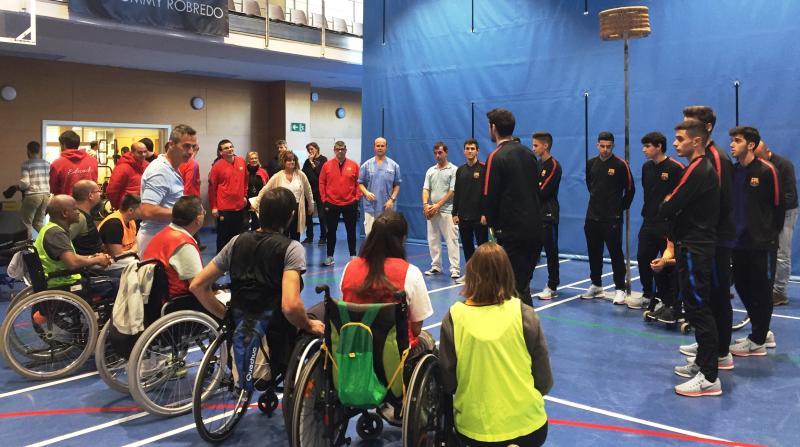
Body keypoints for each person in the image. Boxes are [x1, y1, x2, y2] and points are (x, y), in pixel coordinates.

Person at [439, 242, 553, 446]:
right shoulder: (524, 313)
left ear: (472, 274)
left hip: (475, 430)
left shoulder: (455, 317)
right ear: (508, 274)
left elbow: (448, 382)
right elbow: (544, 381)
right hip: (529, 428)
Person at [190, 187, 324, 338]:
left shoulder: (236, 242)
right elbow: (291, 306)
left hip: (242, 325)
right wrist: (308, 324)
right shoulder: (292, 249)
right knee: (322, 313)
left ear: (260, 212)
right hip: (276, 331)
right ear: (291, 216)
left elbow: (197, 285)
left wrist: (227, 317)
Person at [339, 210, 435, 422]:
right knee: (428, 341)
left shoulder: (349, 268)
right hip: (392, 361)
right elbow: (417, 329)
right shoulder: (410, 273)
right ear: (401, 240)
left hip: (354, 354)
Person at [659, 119, 722, 397]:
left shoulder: (699, 169)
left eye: (680, 138)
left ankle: (709, 377)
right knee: (696, 307)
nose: (675, 143)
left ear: (696, 141)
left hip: (697, 247)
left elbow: (670, 205)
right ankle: (701, 364)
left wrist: (668, 202)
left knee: (699, 309)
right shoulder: (696, 168)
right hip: (691, 245)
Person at [682, 106, 735, 355]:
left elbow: (722, 204)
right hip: (705, 240)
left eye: (690, 125)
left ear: (707, 129)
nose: (685, 130)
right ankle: (709, 345)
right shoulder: (702, 159)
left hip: (715, 241)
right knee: (706, 297)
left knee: (717, 297)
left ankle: (720, 352)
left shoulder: (717, 158)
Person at [727, 126, 782, 357]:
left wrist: (767, 236)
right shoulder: (732, 171)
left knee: (762, 291)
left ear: (750, 145)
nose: (731, 145)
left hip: (762, 245)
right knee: (741, 285)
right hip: (737, 243)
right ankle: (762, 328)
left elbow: (779, 208)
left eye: (737, 141)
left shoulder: (768, 171)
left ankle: (758, 340)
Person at [483, 108, 541, 305]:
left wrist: (491, 223)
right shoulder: (528, 153)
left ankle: (521, 332)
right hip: (534, 229)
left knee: (512, 288)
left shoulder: (496, 156)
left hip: (511, 233)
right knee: (522, 286)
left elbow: (489, 196)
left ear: (494, 128)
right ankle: (528, 330)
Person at [581, 131, 635, 304]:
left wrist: (620, 207)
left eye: (608, 147)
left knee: (615, 254)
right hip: (592, 216)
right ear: (597, 145)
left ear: (613, 146)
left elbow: (630, 189)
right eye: (602, 146)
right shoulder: (591, 164)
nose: (605, 150)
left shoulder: (620, 165)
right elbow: (591, 185)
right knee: (593, 252)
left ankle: (619, 288)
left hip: (612, 218)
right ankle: (596, 284)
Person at [634, 132, 684, 314]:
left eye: (647, 146)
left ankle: (668, 300)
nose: (644, 150)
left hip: (667, 225)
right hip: (649, 221)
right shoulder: (646, 168)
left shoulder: (676, 168)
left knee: (666, 263)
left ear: (659, 147)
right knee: (643, 257)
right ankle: (648, 294)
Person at [34, 195, 115, 297]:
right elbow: (73, 263)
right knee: (116, 284)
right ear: (64, 213)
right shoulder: (56, 233)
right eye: (75, 209)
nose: (78, 212)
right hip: (63, 284)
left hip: (59, 280)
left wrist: (93, 257)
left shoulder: (51, 229)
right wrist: (97, 260)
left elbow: (71, 257)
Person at [137, 124, 197, 256]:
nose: (191, 151)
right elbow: (147, 210)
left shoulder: (172, 168)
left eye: (193, 147)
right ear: (171, 145)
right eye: (186, 146)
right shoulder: (160, 170)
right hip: (155, 239)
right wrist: (184, 213)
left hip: (166, 236)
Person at [754, 141, 797, 306]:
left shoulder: (784, 165)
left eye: (759, 157)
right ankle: (767, 287)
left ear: (767, 152)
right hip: (767, 213)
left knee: (782, 253)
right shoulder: (757, 165)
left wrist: (771, 211)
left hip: (785, 212)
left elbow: (790, 196)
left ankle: (780, 292)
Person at [142, 196, 206, 299]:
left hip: (155, 299)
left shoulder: (163, 234)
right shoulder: (184, 245)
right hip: (179, 303)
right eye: (204, 212)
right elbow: (198, 288)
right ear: (198, 219)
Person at [422, 141, 460, 279]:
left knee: (452, 240)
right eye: (436, 153)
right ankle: (436, 266)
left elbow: (453, 191)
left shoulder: (453, 170)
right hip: (432, 211)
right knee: (433, 239)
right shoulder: (430, 171)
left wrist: (438, 205)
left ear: (446, 153)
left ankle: (455, 269)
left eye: (440, 152)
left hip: (448, 210)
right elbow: (426, 189)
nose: (438, 155)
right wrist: (426, 205)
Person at [319, 141, 361, 266]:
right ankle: (330, 256)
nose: (340, 151)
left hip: (350, 203)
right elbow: (321, 182)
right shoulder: (327, 165)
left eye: (342, 149)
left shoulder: (353, 165)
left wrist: (356, 197)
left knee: (351, 230)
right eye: (338, 149)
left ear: (346, 150)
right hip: (331, 203)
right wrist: (324, 199)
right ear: (334, 150)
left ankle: (353, 255)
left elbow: (359, 182)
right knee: (331, 231)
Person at [256, 151, 314, 241]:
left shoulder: (301, 175)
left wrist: (311, 204)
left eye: (293, 160)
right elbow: (265, 189)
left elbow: (308, 190)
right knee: (282, 234)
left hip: (297, 208)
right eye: (289, 160)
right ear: (284, 162)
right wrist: (256, 202)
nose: (292, 162)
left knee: (296, 235)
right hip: (282, 209)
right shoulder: (277, 176)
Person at [531, 132, 562, 300]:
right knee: (531, 251)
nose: (533, 148)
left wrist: (533, 188)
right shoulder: (536, 165)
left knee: (551, 251)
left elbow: (543, 191)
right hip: (534, 215)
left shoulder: (554, 166)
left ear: (545, 145)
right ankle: (523, 283)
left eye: (536, 145)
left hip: (548, 215)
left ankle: (552, 285)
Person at [452, 139, 487, 278]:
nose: (470, 151)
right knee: (467, 248)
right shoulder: (460, 170)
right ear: (464, 151)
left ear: (477, 150)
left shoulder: (483, 169)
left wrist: (485, 213)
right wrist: (455, 213)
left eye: (472, 148)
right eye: (467, 148)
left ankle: (485, 275)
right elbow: (457, 193)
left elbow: (486, 193)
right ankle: (471, 275)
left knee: (483, 248)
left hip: (479, 217)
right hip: (464, 217)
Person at [208, 139, 247, 254]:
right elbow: (212, 188)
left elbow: (245, 180)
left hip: (239, 207)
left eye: (231, 147)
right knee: (223, 237)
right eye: (226, 148)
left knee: (238, 237)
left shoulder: (241, 162)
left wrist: (245, 195)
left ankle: (236, 259)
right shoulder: (217, 166)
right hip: (224, 208)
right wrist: (214, 207)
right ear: (221, 152)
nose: (230, 149)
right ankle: (221, 262)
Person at [359, 137, 401, 236]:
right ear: (374, 147)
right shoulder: (366, 165)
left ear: (386, 147)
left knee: (388, 236)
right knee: (370, 236)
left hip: (387, 207)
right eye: (378, 145)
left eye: (382, 146)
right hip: (371, 207)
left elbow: (397, 184)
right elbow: (360, 183)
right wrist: (366, 193)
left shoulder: (394, 166)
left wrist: (392, 199)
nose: (380, 148)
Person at [49, 130, 98, 196]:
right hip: (89, 203)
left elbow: (53, 189)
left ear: (63, 145)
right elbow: (94, 182)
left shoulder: (57, 164)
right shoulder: (93, 161)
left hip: (66, 204)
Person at [18, 141, 51, 237]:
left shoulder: (26, 164)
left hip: (33, 195)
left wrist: (18, 187)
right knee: (38, 222)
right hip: (45, 195)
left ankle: (27, 248)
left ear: (28, 151)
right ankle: (50, 240)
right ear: (39, 150)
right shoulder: (46, 163)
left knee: (26, 223)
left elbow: (25, 183)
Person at [98, 193, 141, 265]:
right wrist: (133, 251)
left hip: (126, 257)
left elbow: (136, 243)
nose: (144, 212)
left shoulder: (131, 221)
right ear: (130, 210)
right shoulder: (114, 224)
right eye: (141, 209)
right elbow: (117, 255)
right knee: (136, 264)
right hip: (106, 262)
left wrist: (133, 251)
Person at [106, 141, 149, 210]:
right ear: (132, 153)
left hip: (142, 208)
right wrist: (119, 207)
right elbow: (112, 191)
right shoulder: (122, 168)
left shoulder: (147, 165)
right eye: (140, 152)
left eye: (145, 152)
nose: (143, 154)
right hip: (127, 210)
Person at [69, 180, 105, 256]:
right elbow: (61, 245)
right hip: (88, 264)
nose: (101, 194)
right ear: (90, 196)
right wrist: (91, 260)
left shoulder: (87, 213)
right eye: (99, 191)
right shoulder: (79, 217)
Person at [302, 142, 328, 245]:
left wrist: (313, 163)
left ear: (317, 149)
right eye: (308, 149)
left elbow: (321, 174)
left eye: (312, 149)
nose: (310, 151)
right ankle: (309, 237)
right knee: (309, 215)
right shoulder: (307, 162)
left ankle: (323, 237)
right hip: (309, 191)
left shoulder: (323, 160)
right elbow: (303, 174)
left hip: (320, 191)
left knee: (322, 215)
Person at [245, 151, 269, 230]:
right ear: (248, 160)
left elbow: (267, 187)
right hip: (246, 201)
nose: (254, 160)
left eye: (255, 158)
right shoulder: (244, 172)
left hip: (259, 200)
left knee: (258, 223)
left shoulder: (263, 172)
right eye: (251, 158)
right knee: (246, 224)